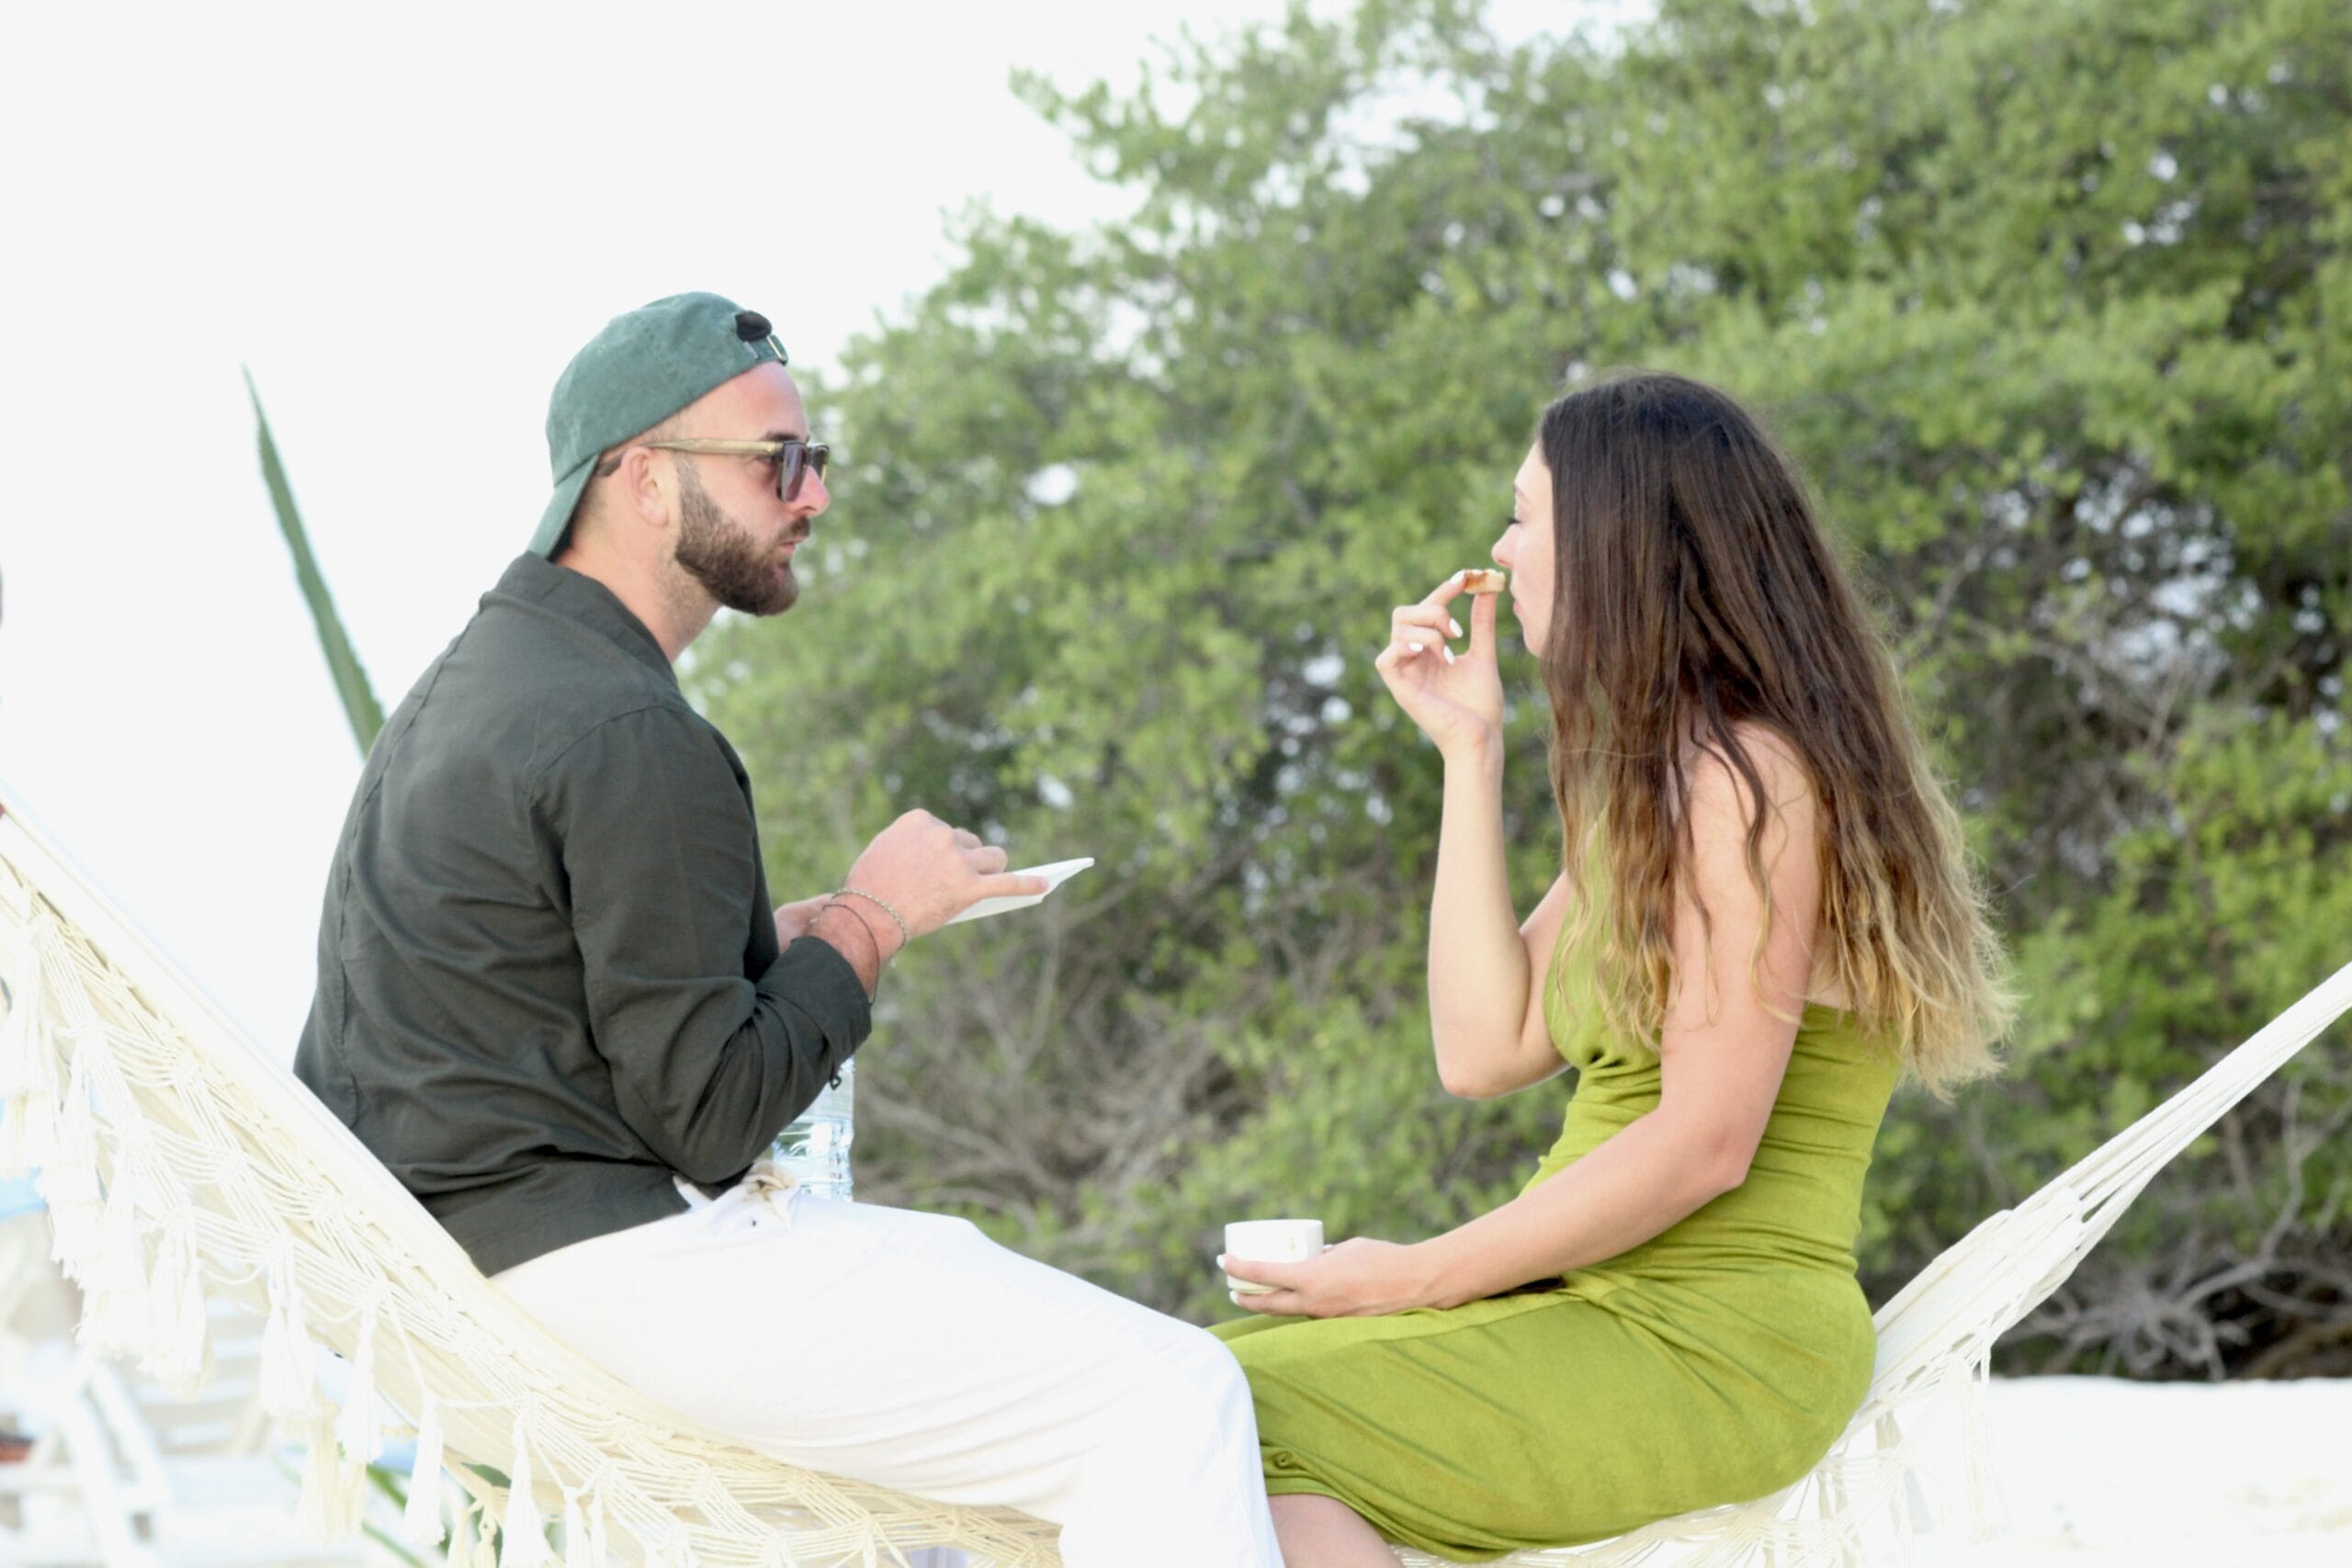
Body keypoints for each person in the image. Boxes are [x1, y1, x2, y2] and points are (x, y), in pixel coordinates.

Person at [291, 293, 1283, 1568]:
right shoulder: (630, 732)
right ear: (643, 480)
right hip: (605, 1274)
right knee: (1170, 1394)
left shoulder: (480, 688)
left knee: (1006, 1309)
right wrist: (872, 917)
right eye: (779, 462)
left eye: (814, 462)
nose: (811, 497)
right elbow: (710, 1115)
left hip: (473, 1274)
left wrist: (772, 940)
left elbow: (534, 996)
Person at [1213, 369, 2014, 1565]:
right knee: (1185, 1395)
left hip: (1711, 1340)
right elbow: (1484, 1050)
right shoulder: (1661, 788)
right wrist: (1467, 752)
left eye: (1526, 514)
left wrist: (1411, 1280)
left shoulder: (1746, 784)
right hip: (1590, 1307)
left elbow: (1706, 1141)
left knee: (1202, 1408)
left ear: (1615, 538)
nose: (1501, 544)